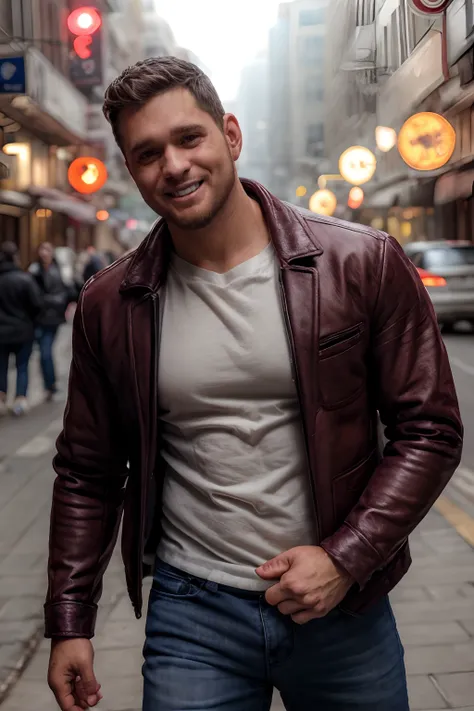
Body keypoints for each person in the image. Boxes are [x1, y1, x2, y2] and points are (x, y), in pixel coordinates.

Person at [45, 57, 463, 711]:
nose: (174, 166)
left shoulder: (361, 262)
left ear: (230, 136)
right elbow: (86, 470)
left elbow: (430, 428)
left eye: (190, 138)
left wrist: (347, 557)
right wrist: (69, 619)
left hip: (341, 603)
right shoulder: (111, 302)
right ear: (131, 170)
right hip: (193, 612)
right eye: (148, 153)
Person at [0, 241, 43, 416]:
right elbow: (37, 305)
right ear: (16, 257)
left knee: (0, 366)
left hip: (1, 333)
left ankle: (1, 399)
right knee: (22, 366)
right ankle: (19, 400)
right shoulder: (25, 279)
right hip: (23, 330)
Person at [29, 242, 69, 401]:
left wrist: (45, 301)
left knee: (45, 351)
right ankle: (49, 384)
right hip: (38, 318)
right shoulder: (34, 270)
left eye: (47, 250)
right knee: (43, 352)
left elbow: (62, 294)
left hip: (52, 318)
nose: (44, 253)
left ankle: (50, 384)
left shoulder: (57, 270)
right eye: (42, 249)